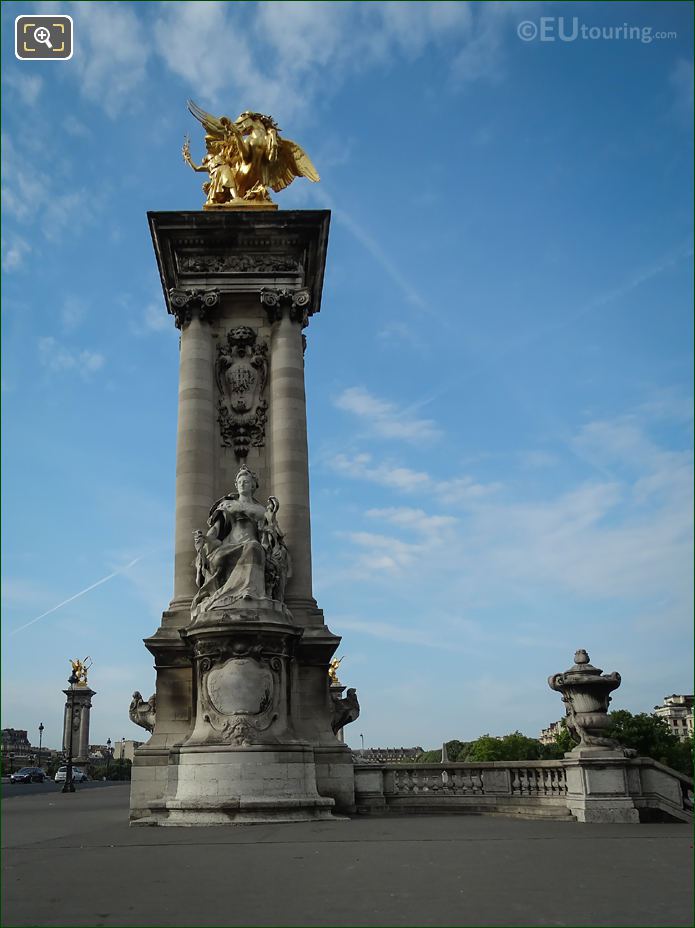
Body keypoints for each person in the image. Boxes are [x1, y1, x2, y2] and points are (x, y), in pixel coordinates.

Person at [191, 465, 289, 616]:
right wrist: (204, 540)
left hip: (253, 546)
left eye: (247, 482)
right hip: (227, 548)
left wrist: (272, 519)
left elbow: (268, 535)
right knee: (252, 547)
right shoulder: (226, 505)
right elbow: (215, 532)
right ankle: (233, 594)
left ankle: (249, 592)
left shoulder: (262, 510)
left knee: (253, 547)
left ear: (254, 485)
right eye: (240, 481)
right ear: (236, 485)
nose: (243, 484)